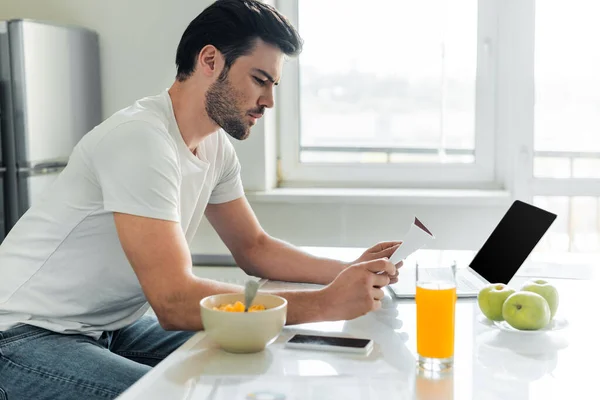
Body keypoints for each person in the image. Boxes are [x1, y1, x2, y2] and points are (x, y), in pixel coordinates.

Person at [0, 1, 402, 399]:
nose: (268, 102)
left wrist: (350, 270)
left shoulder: (214, 147)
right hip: (22, 335)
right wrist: (322, 304)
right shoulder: (140, 140)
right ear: (210, 59)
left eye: (273, 85)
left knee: (263, 360)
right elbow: (174, 301)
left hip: (109, 327)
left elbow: (254, 248)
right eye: (260, 79)